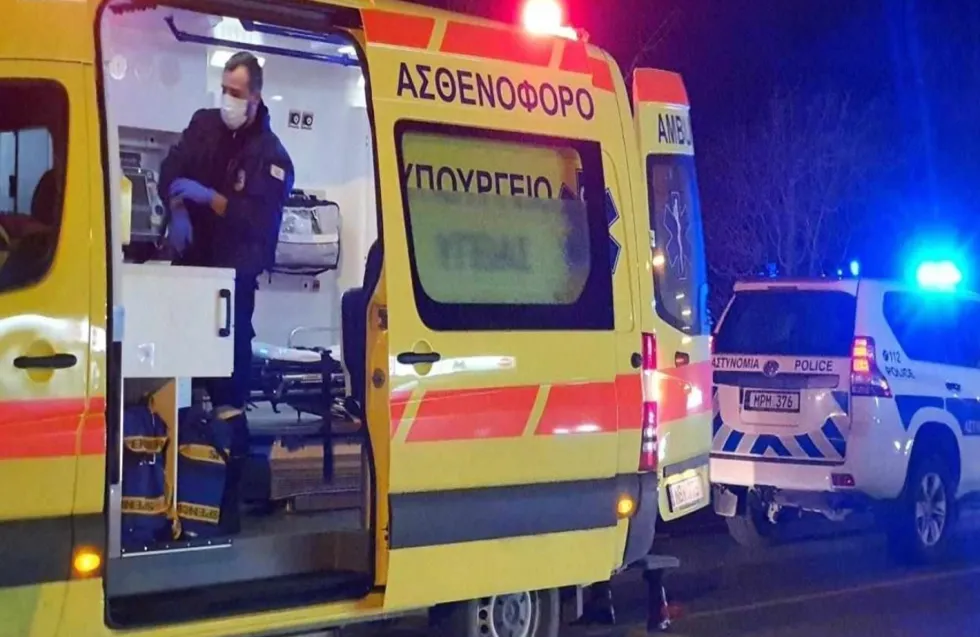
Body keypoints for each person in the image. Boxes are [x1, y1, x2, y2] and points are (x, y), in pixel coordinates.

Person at [159, 51, 294, 533]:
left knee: (228, 398)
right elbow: (170, 169)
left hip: (230, 294)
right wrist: (177, 207)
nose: (228, 100)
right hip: (188, 279)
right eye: (225, 90)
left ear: (255, 97)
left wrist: (208, 198)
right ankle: (173, 506)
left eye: (236, 93)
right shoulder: (204, 126)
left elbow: (255, 219)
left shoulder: (272, 157)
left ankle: (224, 512)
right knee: (175, 392)